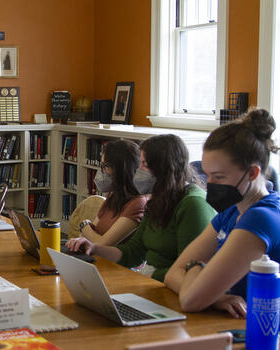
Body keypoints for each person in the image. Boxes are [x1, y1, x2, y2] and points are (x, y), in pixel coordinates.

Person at [164, 109, 280, 318]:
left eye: (218, 177)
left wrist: (195, 266)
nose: (209, 184)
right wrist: (216, 297)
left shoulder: (260, 218)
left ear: (252, 173)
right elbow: (172, 275)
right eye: (207, 175)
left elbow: (191, 300)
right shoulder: (232, 211)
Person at [67, 134, 216, 282]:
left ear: (164, 168)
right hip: (152, 281)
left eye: (144, 164)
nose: (138, 170)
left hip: (172, 288)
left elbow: (190, 270)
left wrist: (150, 275)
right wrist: (93, 248)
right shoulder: (158, 199)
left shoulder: (193, 205)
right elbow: (133, 252)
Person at [78, 139, 147, 246]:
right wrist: (87, 230)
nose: (102, 171)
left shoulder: (138, 203)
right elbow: (86, 235)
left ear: (120, 169)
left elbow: (102, 244)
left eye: (105, 166)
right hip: (95, 257)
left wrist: (84, 225)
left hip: (112, 261)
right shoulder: (114, 196)